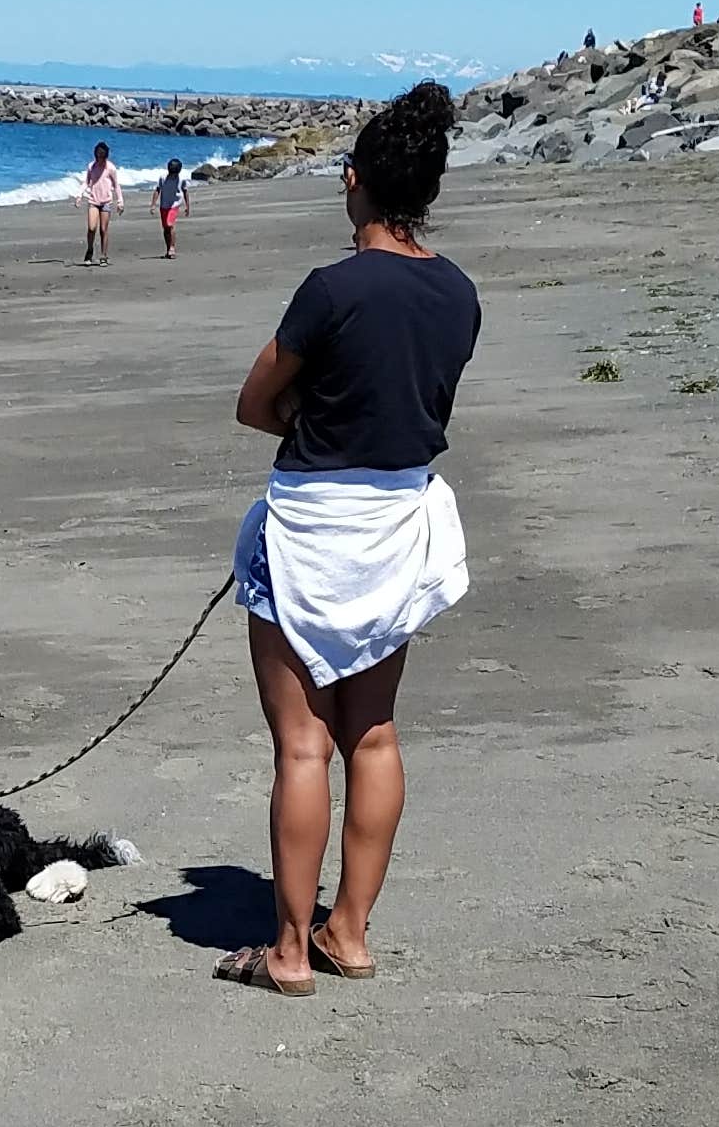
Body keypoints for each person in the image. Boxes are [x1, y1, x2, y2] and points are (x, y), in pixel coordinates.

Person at [217, 82, 479, 997]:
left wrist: (302, 414)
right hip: (399, 525)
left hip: (312, 527)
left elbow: (255, 404)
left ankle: (290, 950)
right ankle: (349, 932)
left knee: (302, 746)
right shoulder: (458, 293)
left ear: (358, 183)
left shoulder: (330, 289)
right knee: (373, 733)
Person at [77, 140, 122, 265]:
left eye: (101, 156)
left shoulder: (110, 168)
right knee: (92, 228)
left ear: (105, 156)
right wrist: (79, 195)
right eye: (97, 156)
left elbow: (116, 185)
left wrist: (120, 201)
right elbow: (86, 182)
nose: (99, 159)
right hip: (93, 201)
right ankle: (90, 250)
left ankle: (104, 255)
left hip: (106, 202)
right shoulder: (92, 166)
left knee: (103, 229)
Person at [155, 157, 190, 258]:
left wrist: (187, 206)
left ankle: (172, 248)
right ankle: (168, 248)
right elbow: (157, 190)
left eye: (175, 174)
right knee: (166, 228)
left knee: (170, 225)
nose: (173, 176)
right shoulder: (163, 178)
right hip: (164, 205)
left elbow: (185, 191)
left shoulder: (181, 179)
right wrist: (153, 204)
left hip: (175, 204)